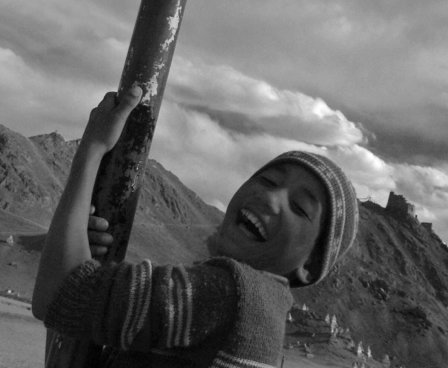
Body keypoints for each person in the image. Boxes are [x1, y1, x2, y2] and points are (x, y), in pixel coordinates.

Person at [31, 86, 359, 367]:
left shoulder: (233, 295)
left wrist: (92, 147)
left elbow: (58, 295)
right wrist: (77, 253)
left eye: (300, 208)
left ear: (310, 266)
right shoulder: (262, 314)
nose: (271, 198)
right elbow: (70, 317)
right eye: (268, 180)